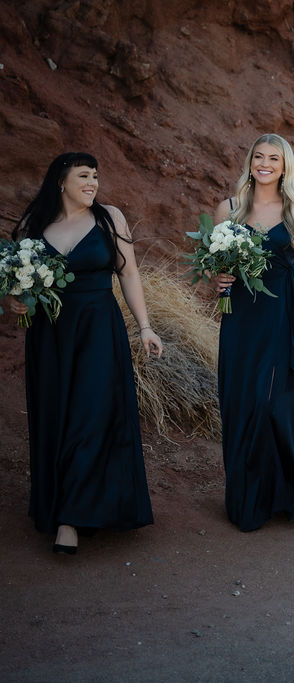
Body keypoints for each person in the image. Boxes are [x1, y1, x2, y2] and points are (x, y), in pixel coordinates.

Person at [5, 152, 162, 554]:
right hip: (50, 334)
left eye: (95, 175)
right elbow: (17, 287)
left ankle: (70, 521)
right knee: (57, 416)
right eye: (83, 175)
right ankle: (64, 506)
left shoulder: (110, 217)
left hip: (98, 330)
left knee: (89, 417)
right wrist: (17, 302)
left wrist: (145, 327)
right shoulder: (32, 224)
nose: (92, 182)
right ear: (61, 181)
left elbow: (128, 273)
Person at [210, 133, 294, 532]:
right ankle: (249, 499)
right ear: (250, 162)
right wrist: (219, 277)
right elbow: (215, 266)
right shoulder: (227, 209)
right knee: (243, 402)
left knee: (277, 404)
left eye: (274, 159)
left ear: (285, 166)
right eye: (259, 157)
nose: (265, 163)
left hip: (283, 312)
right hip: (242, 316)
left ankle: (287, 494)